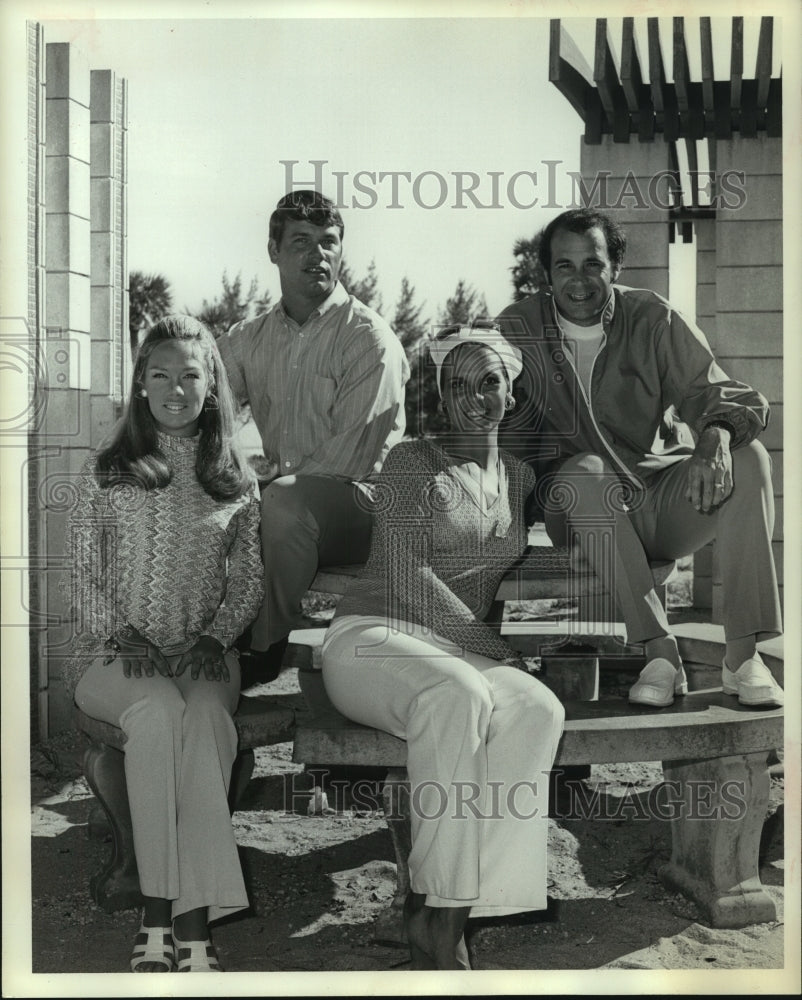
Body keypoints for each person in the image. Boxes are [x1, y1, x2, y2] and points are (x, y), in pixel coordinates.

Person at [320, 322, 565, 970]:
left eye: (490, 382)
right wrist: (498, 648)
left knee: (539, 710)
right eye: (459, 384)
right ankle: (440, 926)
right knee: (458, 695)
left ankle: (450, 911)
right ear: (441, 395)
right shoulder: (409, 459)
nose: (475, 396)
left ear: (510, 392)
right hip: (372, 638)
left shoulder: (518, 477)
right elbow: (407, 574)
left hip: (457, 654)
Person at [497, 207, 783, 710]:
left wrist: (715, 434)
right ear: (547, 272)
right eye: (564, 266)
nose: (579, 280)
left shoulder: (652, 316)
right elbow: (499, 429)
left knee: (750, 456)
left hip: (658, 497)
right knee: (585, 471)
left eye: (593, 264)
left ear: (616, 267)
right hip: (579, 508)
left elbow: (718, 392)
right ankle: (659, 652)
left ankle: (742, 658)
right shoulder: (517, 328)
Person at [65, 316, 264, 972]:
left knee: (203, 717)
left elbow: (251, 580)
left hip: (205, 653)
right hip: (118, 657)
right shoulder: (110, 468)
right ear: (141, 381)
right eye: (161, 374)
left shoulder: (234, 475)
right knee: (159, 713)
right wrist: (123, 633)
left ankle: (195, 924)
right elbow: (83, 573)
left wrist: (215, 637)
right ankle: (157, 911)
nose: (175, 388)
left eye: (190, 375)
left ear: (212, 388)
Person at [217, 189, 409, 686]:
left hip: (364, 508)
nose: (317, 254)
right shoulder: (247, 339)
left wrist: (258, 491)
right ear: (273, 250)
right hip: (287, 506)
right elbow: (202, 410)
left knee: (279, 502)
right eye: (300, 241)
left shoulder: (370, 339)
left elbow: (348, 460)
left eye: (328, 242)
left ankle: (262, 643)